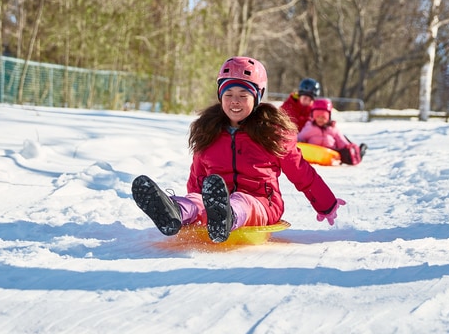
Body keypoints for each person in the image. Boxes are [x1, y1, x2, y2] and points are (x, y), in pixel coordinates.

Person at [131, 57, 346, 243]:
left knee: (242, 201)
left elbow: (301, 172)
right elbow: (198, 178)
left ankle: (227, 216)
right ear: (220, 96)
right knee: (197, 200)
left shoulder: (272, 132)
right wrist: (194, 203)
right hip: (214, 199)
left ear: (257, 97)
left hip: (261, 203)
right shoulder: (209, 132)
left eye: (243, 95)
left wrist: (326, 204)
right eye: (228, 94)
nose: (235, 101)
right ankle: (175, 211)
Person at [298, 98, 367, 165]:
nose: (320, 119)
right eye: (317, 117)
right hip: (314, 153)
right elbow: (299, 137)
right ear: (313, 116)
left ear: (329, 117)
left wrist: (347, 148)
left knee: (349, 154)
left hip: (331, 154)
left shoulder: (332, 129)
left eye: (323, 117)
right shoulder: (310, 127)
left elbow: (341, 141)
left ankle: (360, 151)